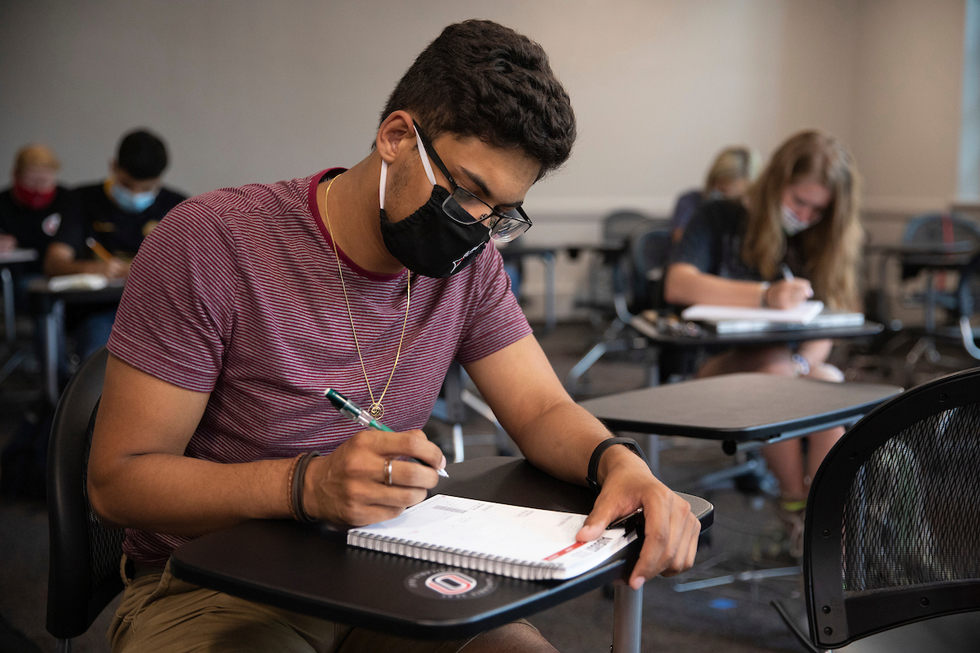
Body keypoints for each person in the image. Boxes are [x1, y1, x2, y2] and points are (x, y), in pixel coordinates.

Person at [87, 20, 701, 653]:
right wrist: (305, 487)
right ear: (396, 137)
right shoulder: (213, 242)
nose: (476, 230)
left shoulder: (468, 266)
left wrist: (619, 463)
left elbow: (541, 408)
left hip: (384, 568)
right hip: (209, 584)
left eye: (502, 214)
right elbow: (117, 483)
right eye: (466, 193)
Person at [664, 130, 862, 558]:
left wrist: (805, 367)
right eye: (798, 202)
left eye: (817, 210)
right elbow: (678, 284)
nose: (805, 215)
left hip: (789, 370)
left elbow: (824, 326)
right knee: (775, 368)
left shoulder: (819, 239)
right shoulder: (719, 217)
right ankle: (796, 506)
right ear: (775, 183)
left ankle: (819, 519)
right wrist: (764, 295)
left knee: (828, 380)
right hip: (717, 370)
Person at [44, 129, 186, 362]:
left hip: (159, 312)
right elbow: (54, 262)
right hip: (99, 312)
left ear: (160, 178)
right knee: (102, 356)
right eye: (128, 185)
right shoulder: (81, 200)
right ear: (113, 166)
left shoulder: (178, 206)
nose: (136, 194)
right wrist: (93, 269)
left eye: (146, 188)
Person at [0, 144, 73, 285]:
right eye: (32, 182)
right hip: (17, 277)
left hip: (60, 276)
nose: (38, 189)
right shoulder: (3, 203)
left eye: (44, 182)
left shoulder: (67, 200)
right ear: (15, 176)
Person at [669, 145, 761, 243]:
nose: (719, 191)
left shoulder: (758, 214)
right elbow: (681, 242)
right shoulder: (690, 202)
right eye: (720, 186)